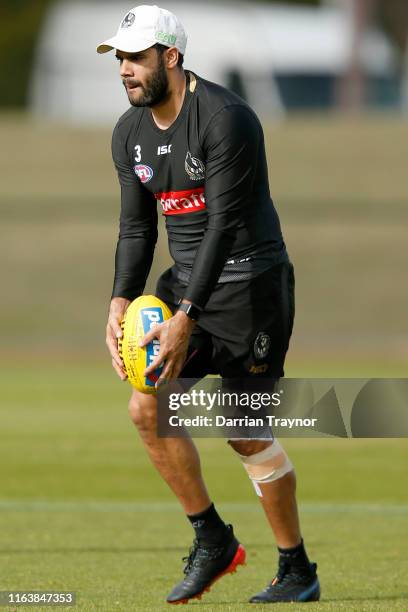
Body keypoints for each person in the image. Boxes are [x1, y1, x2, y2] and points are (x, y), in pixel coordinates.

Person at [98, 4, 320, 605]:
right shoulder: (129, 132)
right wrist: (120, 299)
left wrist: (183, 318)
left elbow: (223, 223)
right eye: (119, 57)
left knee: (244, 432)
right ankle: (213, 539)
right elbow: (136, 229)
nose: (125, 69)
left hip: (251, 285)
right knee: (147, 410)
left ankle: (296, 567)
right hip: (187, 283)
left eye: (136, 56)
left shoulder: (227, 119)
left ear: (171, 56)